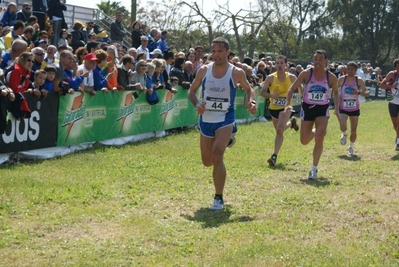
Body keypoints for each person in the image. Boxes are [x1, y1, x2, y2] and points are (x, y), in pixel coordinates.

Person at [187, 37, 257, 211]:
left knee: (218, 156)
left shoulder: (236, 73)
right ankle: (228, 140)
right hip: (206, 119)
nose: (216, 55)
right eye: (214, 51)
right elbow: (191, 91)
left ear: (227, 52)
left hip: (225, 118)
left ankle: (218, 197)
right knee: (207, 161)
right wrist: (197, 104)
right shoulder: (203, 70)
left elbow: (249, 90)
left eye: (220, 51)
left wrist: (251, 102)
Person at [284, 49, 339, 180]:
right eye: (315, 59)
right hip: (307, 108)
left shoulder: (330, 77)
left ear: (326, 61)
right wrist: (287, 103)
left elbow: (336, 93)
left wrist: (336, 108)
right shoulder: (306, 74)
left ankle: (314, 169)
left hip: (322, 109)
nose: (318, 61)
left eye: (321, 59)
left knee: (320, 137)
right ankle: (316, 132)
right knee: (304, 141)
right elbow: (291, 88)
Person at [260, 55, 299, 166]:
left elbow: (300, 87)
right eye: (277, 63)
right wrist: (272, 95)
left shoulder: (291, 77)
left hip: (286, 107)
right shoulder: (270, 78)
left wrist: (301, 97)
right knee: (279, 130)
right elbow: (262, 92)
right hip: (274, 108)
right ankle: (291, 123)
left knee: (280, 130)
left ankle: (274, 156)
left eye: (282, 63)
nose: (279, 65)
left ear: (286, 65)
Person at [337, 61, 369, 156]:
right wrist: (336, 100)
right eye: (348, 69)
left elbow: (367, 93)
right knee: (342, 124)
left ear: (355, 70)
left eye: (352, 69)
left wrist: (358, 92)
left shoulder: (359, 80)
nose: (349, 71)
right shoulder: (342, 79)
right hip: (343, 106)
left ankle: (351, 147)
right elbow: (334, 89)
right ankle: (344, 133)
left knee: (354, 129)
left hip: (354, 108)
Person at [378, 58, 399, 151]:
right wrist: (391, 86)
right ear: (395, 67)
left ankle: (398, 142)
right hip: (393, 102)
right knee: (395, 125)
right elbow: (381, 85)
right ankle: (398, 136)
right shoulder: (392, 74)